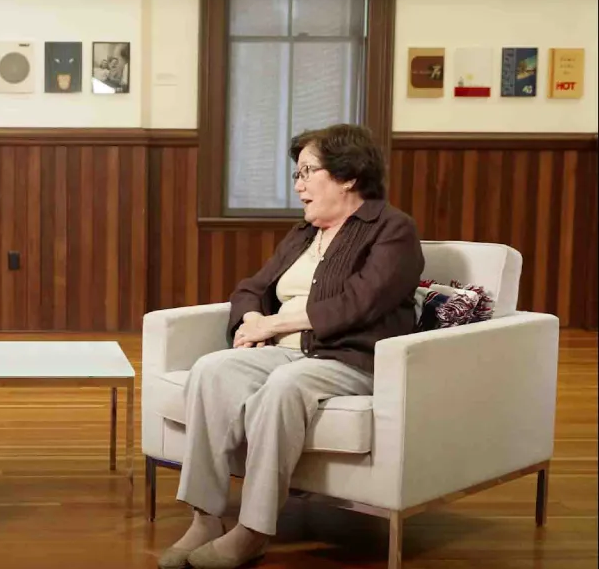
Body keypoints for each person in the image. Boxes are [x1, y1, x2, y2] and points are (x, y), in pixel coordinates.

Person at [157, 124, 425, 569]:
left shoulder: (392, 229)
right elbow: (252, 287)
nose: (298, 186)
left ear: (348, 176)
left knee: (284, 385)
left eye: (307, 173)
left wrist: (274, 322)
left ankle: (253, 531)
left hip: (351, 357)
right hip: (287, 349)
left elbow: (359, 303)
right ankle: (205, 517)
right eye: (296, 175)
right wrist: (248, 321)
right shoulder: (303, 233)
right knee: (211, 369)